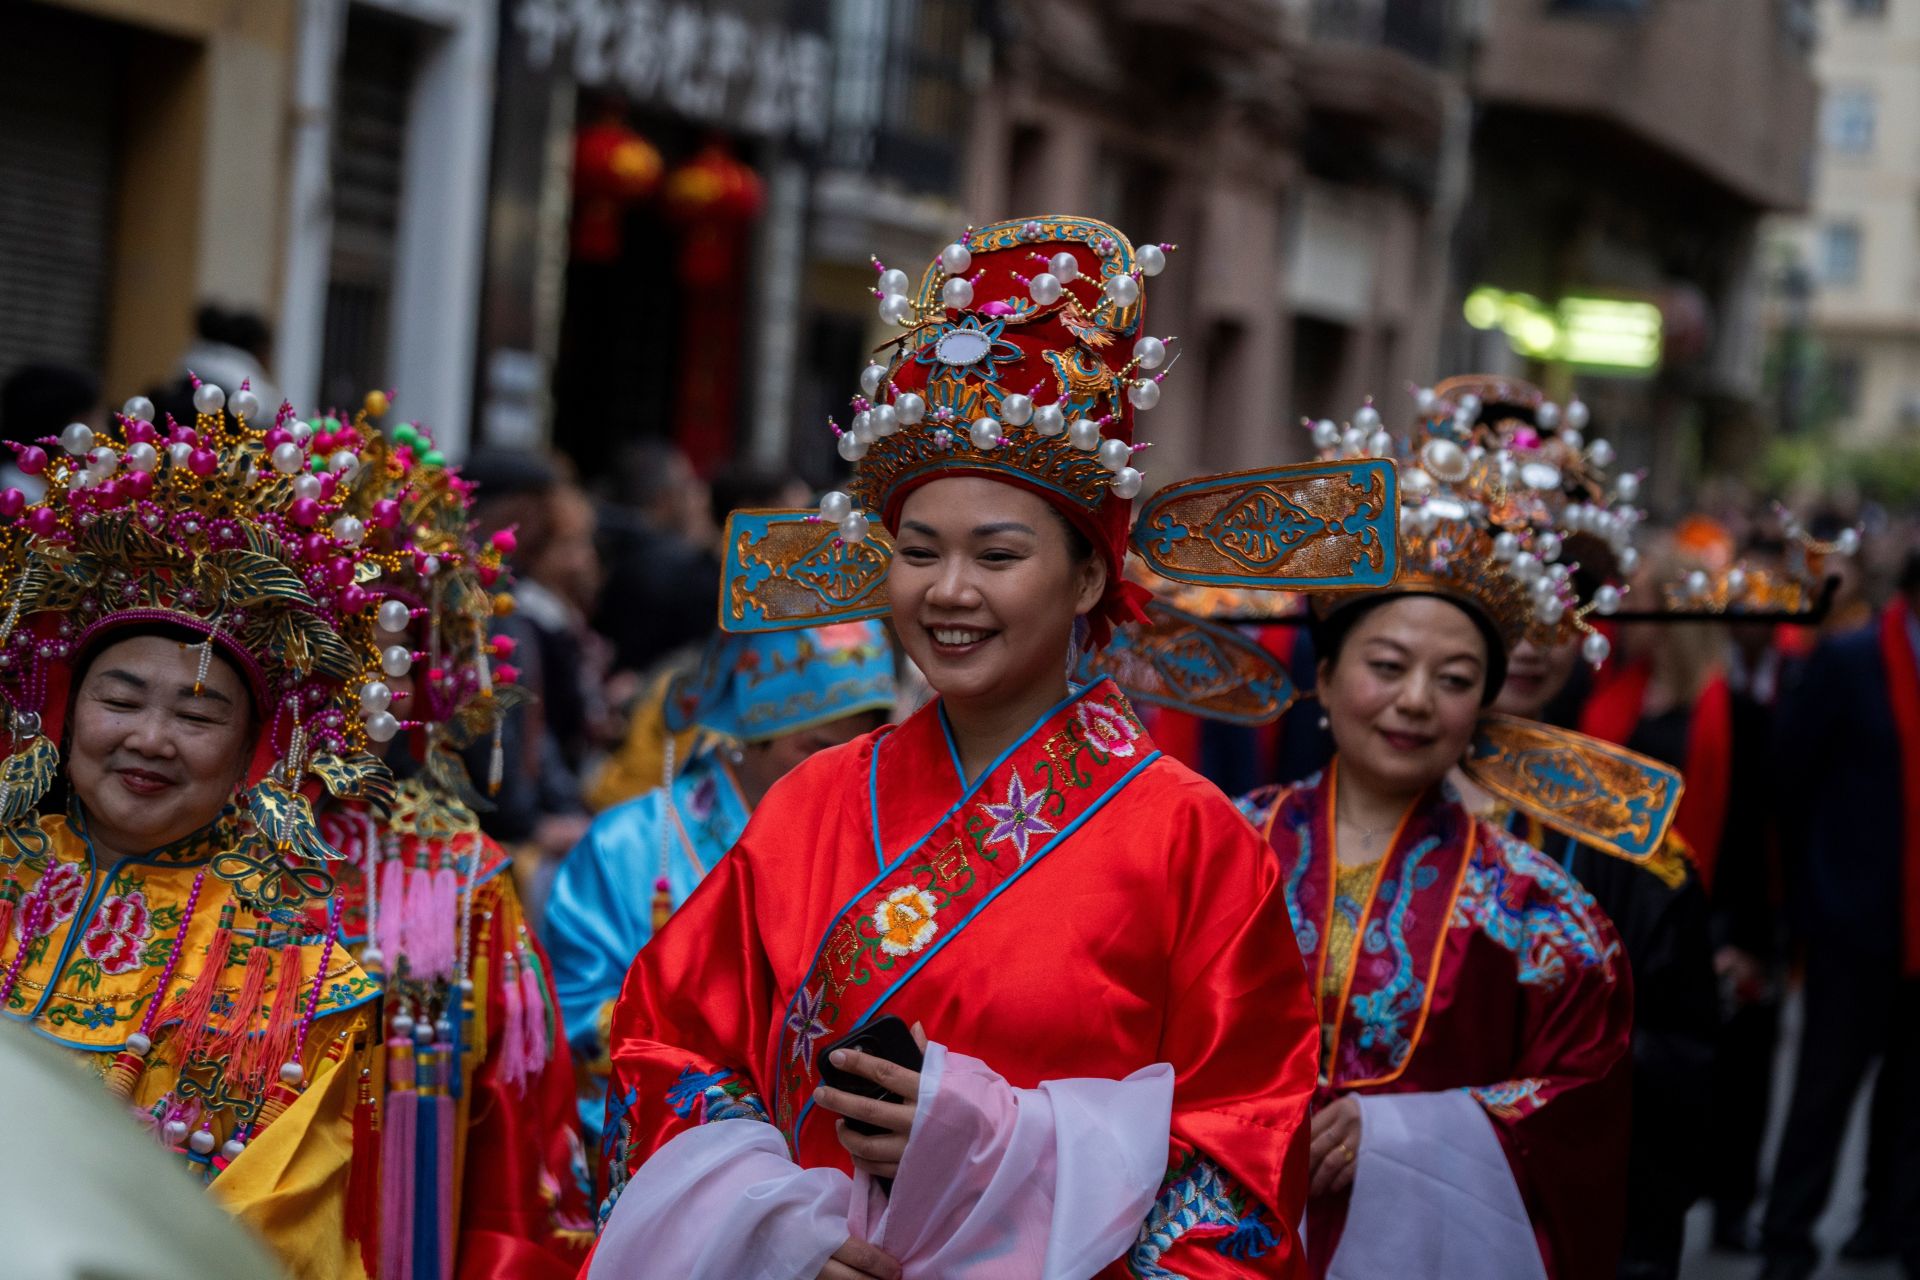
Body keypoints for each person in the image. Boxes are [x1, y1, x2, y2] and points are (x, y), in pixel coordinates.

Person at [585, 216, 1399, 1278]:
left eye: (999, 552)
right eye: (919, 552)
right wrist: (781, 1236)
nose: (950, 590)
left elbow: (1244, 1137)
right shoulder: (810, 802)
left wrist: (993, 1141)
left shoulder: (1190, 840)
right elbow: (667, 1047)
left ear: (1090, 578)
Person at [1232, 382, 1650, 1279]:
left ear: (1484, 705)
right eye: (1387, 665)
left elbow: (1583, 1106)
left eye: (1455, 678)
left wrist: (1400, 1135)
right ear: (1329, 671)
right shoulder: (1219, 849)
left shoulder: (1545, 917)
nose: (1416, 701)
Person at [0, 381, 386, 1277]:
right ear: (63, 709)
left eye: (199, 715)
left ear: (255, 751)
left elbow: (274, 1231)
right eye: (120, 698)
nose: (149, 740)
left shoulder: (307, 982)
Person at [315, 406, 596, 1276]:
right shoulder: (60, 859)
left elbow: (517, 1188)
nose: (354, 681)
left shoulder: (450, 883)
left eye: (388, 647)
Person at [546, 620, 894, 1145]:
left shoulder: (876, 837)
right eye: (817, 747)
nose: (834, 771)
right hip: (680, 1139)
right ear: (747, 733)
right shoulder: (631, 845)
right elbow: (572, 1011)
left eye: (859, 753)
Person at [1755, 547, 1920, 1280]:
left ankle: (1891, 1224)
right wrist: (1810, 897)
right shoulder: (1849, 661)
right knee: (1824, 1092)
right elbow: (1789, 779)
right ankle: (1787, 1241)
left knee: (1912, 1098)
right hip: (1853, 921)